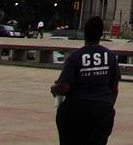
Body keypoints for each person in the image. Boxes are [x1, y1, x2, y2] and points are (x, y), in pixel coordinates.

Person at [51, 15, 120, 145]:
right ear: (101, 35)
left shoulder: (75, 57)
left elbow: (64, 87)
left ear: (85, 34)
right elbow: (114, 89)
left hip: (76, 110)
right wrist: (108, 107)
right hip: (102, 110)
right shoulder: (110, 57)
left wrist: (54, 88)